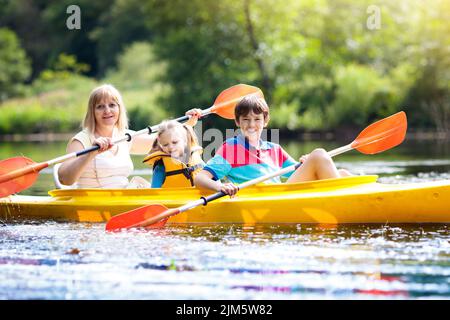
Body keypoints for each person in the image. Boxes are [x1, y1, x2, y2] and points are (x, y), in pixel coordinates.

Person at [192, 95, 352, 196]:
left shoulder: (274, 149)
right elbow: (200, 178)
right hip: (266, 197)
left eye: (257, 119)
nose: (251, 125)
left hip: (280, 193)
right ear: (237, 122)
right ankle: (344, 202)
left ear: (265, 121)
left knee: (342, 173)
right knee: (318, 154)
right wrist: (220, 187)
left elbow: (296, 173)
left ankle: (368, 198)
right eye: (246, 119)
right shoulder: (231, 148)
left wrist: (304, 162)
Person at [58, 84, 156, 188]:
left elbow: (159, 142)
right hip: (92, 200)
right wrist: (90, 154)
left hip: (122, 198)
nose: (107, 111)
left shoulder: (124, 136)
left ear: (119, 108)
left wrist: (171, 130)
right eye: (100, 106)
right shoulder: (80, 141)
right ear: (92, 112)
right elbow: (65, 179)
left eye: (112, 105)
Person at [143, 119, 204, 188]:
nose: (170, 147)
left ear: (185, 141)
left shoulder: (195, 158)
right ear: (160, 145)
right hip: (172, 198)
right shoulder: (160, 167)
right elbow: (155, 191)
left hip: (199, 197)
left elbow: (211, 177)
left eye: (174, 142)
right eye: (165, 145)